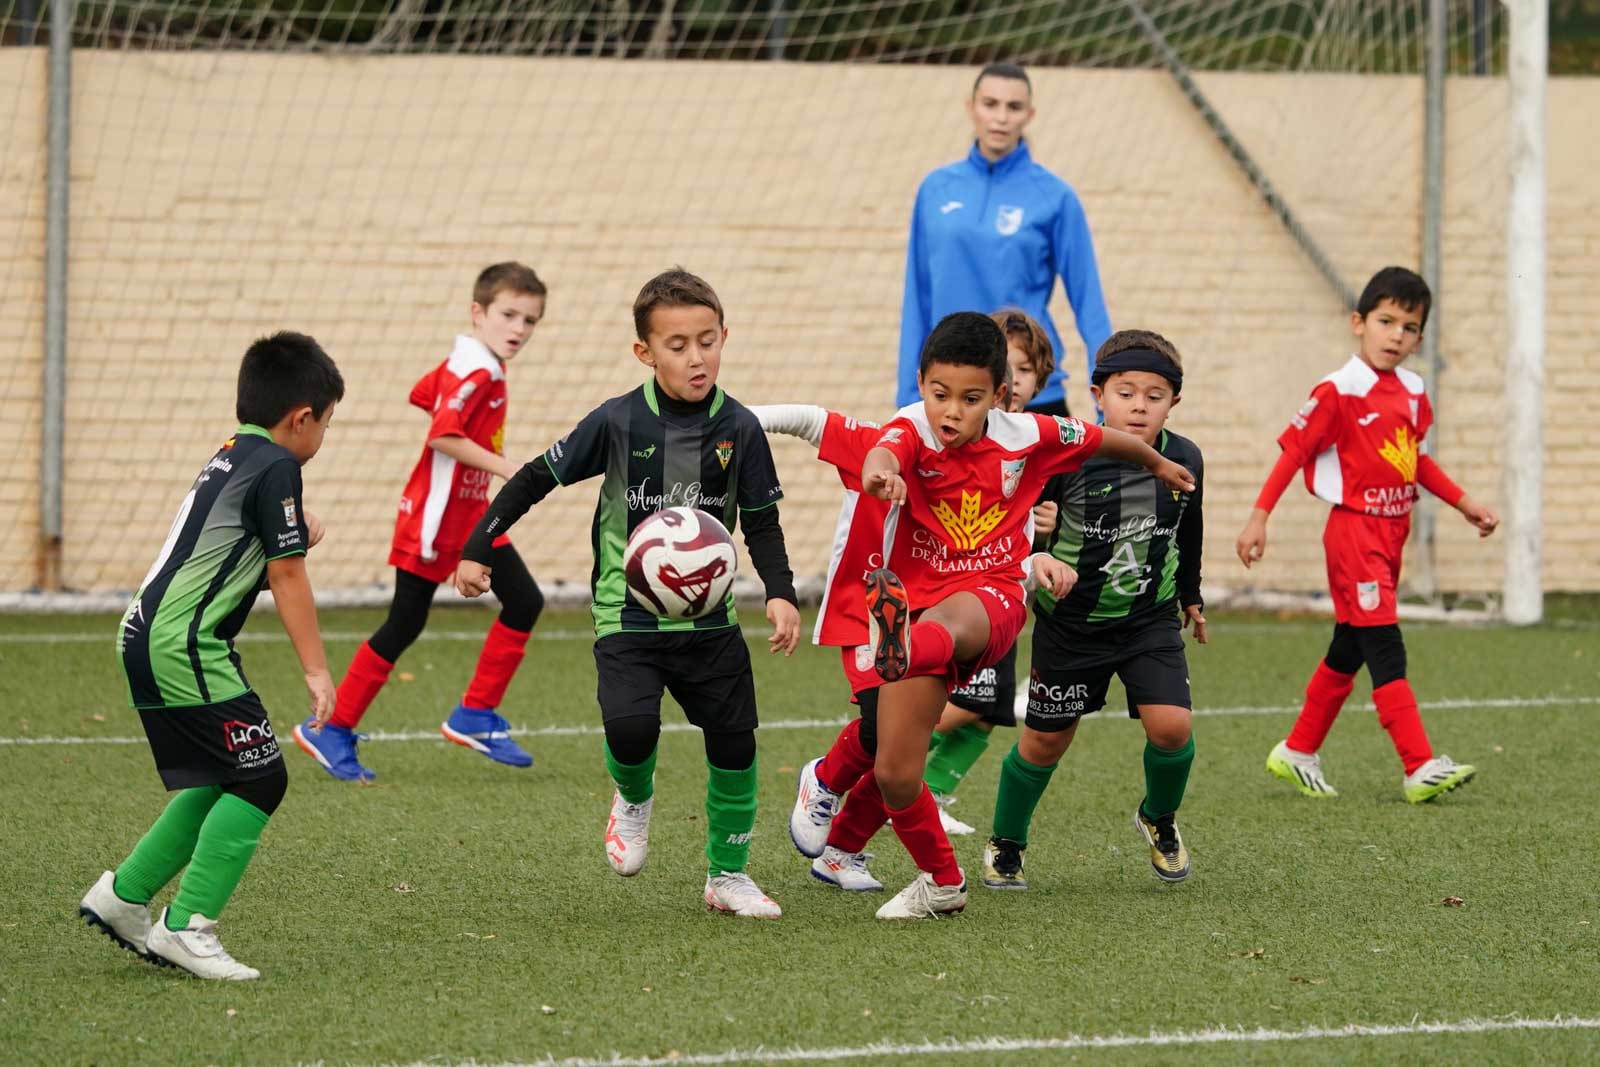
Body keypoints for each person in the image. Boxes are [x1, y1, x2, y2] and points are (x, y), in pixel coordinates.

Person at [789, 311, 1193, 920]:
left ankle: (903, 647)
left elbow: (1097, 437)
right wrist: (880, 473)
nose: (951, 411)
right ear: (921, 383)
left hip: (994, 594)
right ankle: (942, 883)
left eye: (970, 398)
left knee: (956, 628)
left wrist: (1156, 464)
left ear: (998, 396)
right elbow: (882, 451)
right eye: (939, 394)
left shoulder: (1026, 434)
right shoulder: (911, 430)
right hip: (921, 608)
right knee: (898, 772)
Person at [454, 269, 802, 917]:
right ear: (645, 352)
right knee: (632, 727)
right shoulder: (617, 421)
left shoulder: (741, 429)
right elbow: (535, 476)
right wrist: (479, 544)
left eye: (707, 340)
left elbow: (761, 519)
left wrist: (780, 591)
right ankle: (633, 799)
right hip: (627, 615)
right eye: (676, 345)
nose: (695, 357)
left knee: (735, 743)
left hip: (711, 623)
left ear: (724, 336)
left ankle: (727, 875)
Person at [79, 332, 344, 980]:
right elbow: (287, 576)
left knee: (221, 773)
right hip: (185, 643)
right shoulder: (281, 464)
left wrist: (289, 531)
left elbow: (229, 545)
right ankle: (188, 925)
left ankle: (124, 895)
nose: (322, 438)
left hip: (147, 632)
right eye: (326, 424)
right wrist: (316, 666)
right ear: (301, 417)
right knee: (261, 776)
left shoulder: (232, 453)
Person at [1236, 266, 1498, 803]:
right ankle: (1418, 764)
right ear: (1359, 323)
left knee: (1348, 645)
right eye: (1385, 321)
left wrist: (1465, 503)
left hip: (1393, 534)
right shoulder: (1339, 390)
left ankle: (1298, 749)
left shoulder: (1413, 390)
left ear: (1419, 338)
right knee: (1385, 644)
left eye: (1408, 327)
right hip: (1354, 534)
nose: (1396, 335)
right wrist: (1260, 515)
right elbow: (1294, 452)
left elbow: (1416, 460)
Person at [293, 263, 547, 780]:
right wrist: (508, 468)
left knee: (523, 601)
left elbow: (422, 392)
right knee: (405, 622)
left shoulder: (474, 363)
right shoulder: (476, 371)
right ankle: (329, 729)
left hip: (468, 516)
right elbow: (441, 434)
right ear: (478, 313)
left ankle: (474, 713)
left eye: (530, 320)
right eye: (508, 314)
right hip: (437, 523)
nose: (518, 328)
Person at [982, 329, 1206, 892]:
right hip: (1071, 627)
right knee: (1044, 742)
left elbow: (1190, 530)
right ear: (1097, 396)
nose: (1138, 405)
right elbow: (1014, 524)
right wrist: (1037, 552)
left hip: (1148, 621)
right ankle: (1006, 841)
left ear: (1173, 402)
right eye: (1125, 392)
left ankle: (1159, 818)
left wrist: (1191, 596)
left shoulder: (1184, 457)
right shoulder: (1064, 457)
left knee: (1173, 727)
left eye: (1154, 395)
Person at [897, 62, 1112, 417]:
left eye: (1013, 107)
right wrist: (908, 397)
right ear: (971, 108)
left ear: (1029, 115)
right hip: (954, 397)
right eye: (990, 104)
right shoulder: (936, 190)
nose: (1001, 117)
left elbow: (1089, 305)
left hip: (1032, 396)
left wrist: (1105, 401)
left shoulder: (1055, 197)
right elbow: (918, 298)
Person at [921, 309, 1060, 835]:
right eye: (1009, 366)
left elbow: (1036, 525)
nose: (1016, 379)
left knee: (988, 710)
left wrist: (1048, 527)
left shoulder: (1041, 439)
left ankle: (928, 790)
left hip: (1006, 598)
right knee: (965, 701)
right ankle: (880, 754)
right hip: (956, 594)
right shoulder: (951, 431)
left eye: (1026, 370)